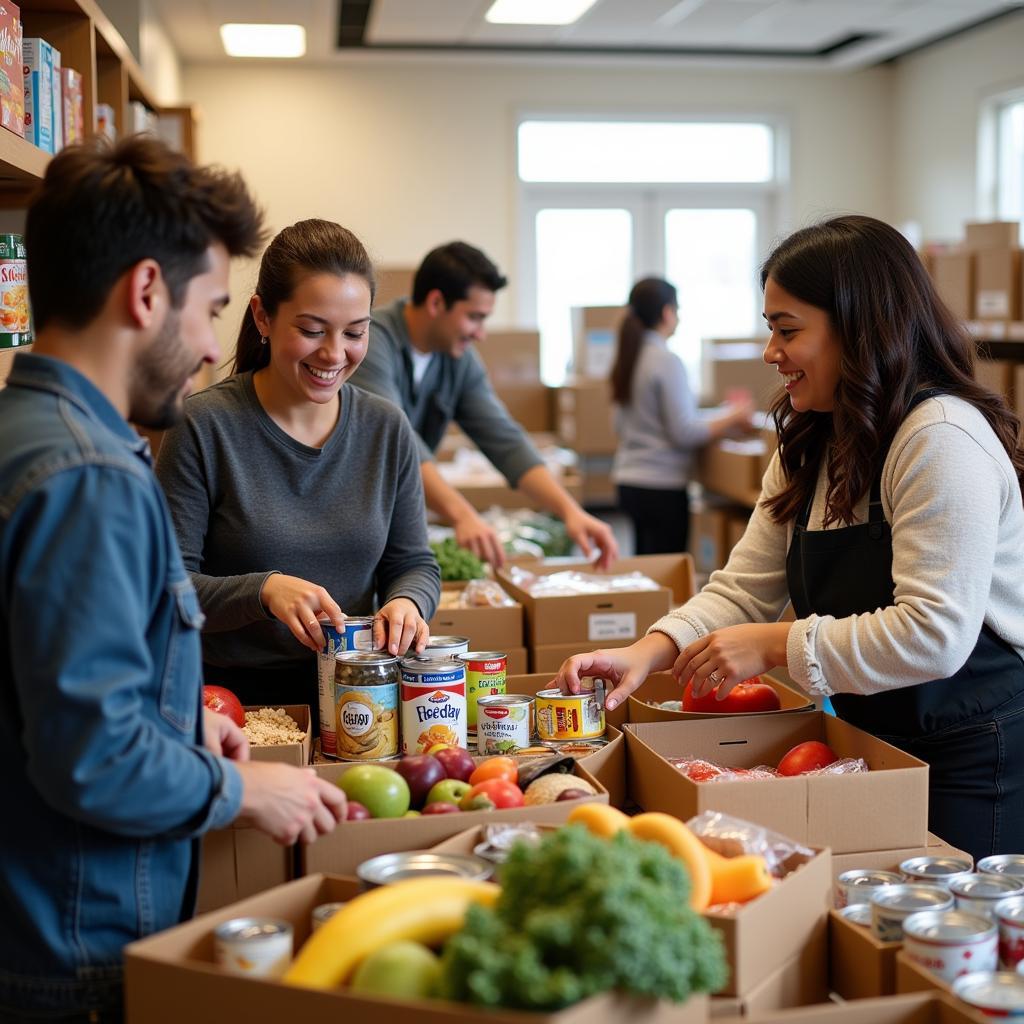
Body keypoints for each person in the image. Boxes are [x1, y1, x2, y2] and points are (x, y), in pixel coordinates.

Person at [0, 138, 347, 1023]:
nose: (206, 348)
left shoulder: (31, 432)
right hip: (73, 937)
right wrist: (243, 789)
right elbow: (93, 759)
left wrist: (173, 718)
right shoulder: (89, 477)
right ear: (146, 291)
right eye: (210, 310)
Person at [556, 215, 1024, 861]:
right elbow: (745, 588)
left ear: (858, 326)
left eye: (786, 329)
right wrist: (648, 652)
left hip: (972, 753)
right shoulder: (814, 439)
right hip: (870, 741)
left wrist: (775, 644)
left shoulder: (939, 439)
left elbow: (934, 634)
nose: (771, 353)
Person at [155, 220, 440, 711]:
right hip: (226, 701)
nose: (334, 354)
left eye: (355, 332)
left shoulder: (385, 427)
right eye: (311, 331)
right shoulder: (203, 425)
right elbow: (165, 584)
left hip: (361, 691)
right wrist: (262, 590)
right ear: (262, 317)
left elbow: (413, 562)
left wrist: (407, 602)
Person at [349, 241, 619, 569]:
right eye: (475, 317)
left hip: (398, 517)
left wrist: (570, 512)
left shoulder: (457, 359)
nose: (481, 333)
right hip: (354, 520)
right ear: (436, 302)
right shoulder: (370, 341)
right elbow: (401, 443)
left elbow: (504, 439)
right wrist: (464, 516)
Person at [611, 277, 754, 554]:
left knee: (648, 573)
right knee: (669, 576)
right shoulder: (665, 360)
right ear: (667, 312)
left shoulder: (628, 356)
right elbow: (684, 432)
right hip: (661, 487)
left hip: (628, 482)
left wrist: (721, 415)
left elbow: (619, 424)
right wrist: (734, 415)